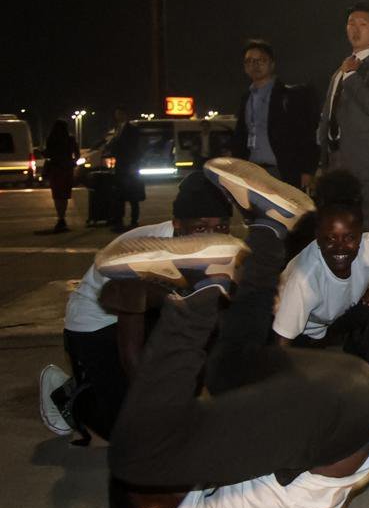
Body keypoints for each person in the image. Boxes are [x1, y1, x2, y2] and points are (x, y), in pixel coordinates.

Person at [78, 169, 369, 508]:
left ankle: (268, 228)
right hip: (338, 424)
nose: (179, 476)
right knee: (130, 457)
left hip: (340, 393)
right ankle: (199, 295)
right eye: (157, 489)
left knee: (225, 366)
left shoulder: (212, 471)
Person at [38, 171, 234, 444]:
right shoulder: (142, 256)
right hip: (98, 325)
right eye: (201, 228)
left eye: (222, 227)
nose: (214, 238)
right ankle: (68, 396)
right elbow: (131, 353)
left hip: (155, 315)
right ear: (177, 224)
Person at [268, 166, 369, 415]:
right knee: (319, 403)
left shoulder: (368, 244)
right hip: (302, 331)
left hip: (338, 316)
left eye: (350, 234)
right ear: (319, 232)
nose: (340, 242)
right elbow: (282, 342)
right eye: (331, 235)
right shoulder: (304, 274)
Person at [318, 3, 369, 231]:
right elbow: (329, 115)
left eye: (363, 24)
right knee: (339, 229)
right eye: (351, 23)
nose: (355, 29)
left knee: (367, 228)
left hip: (367, 165)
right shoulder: (341, 69)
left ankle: (366, 268)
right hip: (336, 162)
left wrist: (351, 74)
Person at [231, 39, 320, 189]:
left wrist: (307, 170)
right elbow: (241, 135)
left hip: (281, 172)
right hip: (252, 172)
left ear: (272, 64)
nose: (255, 65)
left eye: (261, 60)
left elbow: (306, 134)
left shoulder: (289, 96)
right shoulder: (246, 98)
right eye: (250, 61)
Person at [107, 108, 146, 231]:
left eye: (120, 113)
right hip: (121, 166)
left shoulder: (132, 130)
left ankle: (133, 220)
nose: (118, 116)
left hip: (129, 166)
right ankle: (120, 220)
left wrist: (134, 164)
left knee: (132, 195)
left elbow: (136, 148)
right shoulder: (117, 129)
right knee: (121, 195)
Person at [42, 119, 79, 233]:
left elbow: (47, 154)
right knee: (64, 195)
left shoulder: (51, 139)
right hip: (67, 170)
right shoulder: (71, 139)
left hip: (56, 169)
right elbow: (77, 154)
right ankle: (62, 217)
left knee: (57, 195)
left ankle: (60, 218)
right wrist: (72, 162)